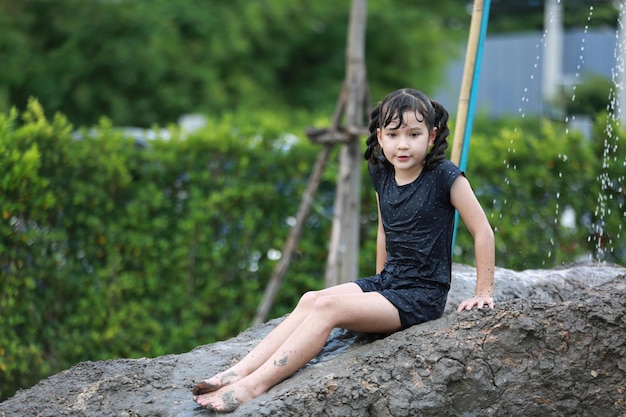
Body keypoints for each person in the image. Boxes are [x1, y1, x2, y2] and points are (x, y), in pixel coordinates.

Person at [192, 88, 495, 412]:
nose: (402, 144)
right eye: (393, 135)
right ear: (380, 136)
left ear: (432, 136)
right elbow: (384, 230)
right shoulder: (382, 173)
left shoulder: (444, 176)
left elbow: (482, 231)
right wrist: (378, 287)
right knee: (311, 299)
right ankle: (238, 371)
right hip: (390, 283)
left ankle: (253, 387)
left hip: (421, 296)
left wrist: (484, 291)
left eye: (413, 134)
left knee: (329, 309)